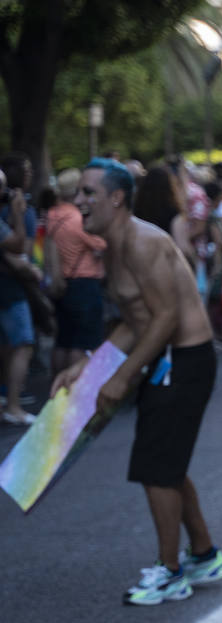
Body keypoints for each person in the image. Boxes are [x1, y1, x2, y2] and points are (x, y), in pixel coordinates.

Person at [52, 159, 222, 604]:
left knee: (156, 467)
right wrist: (90, 367)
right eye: (80, 193)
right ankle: (205, 554)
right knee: (165, 463)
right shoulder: (113, 246)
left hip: (183, 360)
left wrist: (123, 377)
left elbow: (167, 317)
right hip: (169, 359)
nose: (79, 200)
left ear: (117, 198)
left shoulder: (142, 242)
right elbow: (135, 321)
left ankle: (170, 570)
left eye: (89, 193)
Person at [44, 167, 107, 375]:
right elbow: (101, 244)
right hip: (84, 284)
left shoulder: (53, 215)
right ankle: (75, 385)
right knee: (83, 341)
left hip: (61, 283)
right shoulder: (76, 219)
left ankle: (58, 382)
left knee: (63, 339)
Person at [0, 153, 39, 425]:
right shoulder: (17, 208)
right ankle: (13, 405)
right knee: (23, 341)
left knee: (6, 344)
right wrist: (17, 212)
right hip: (8, 288)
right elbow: (19, 248)